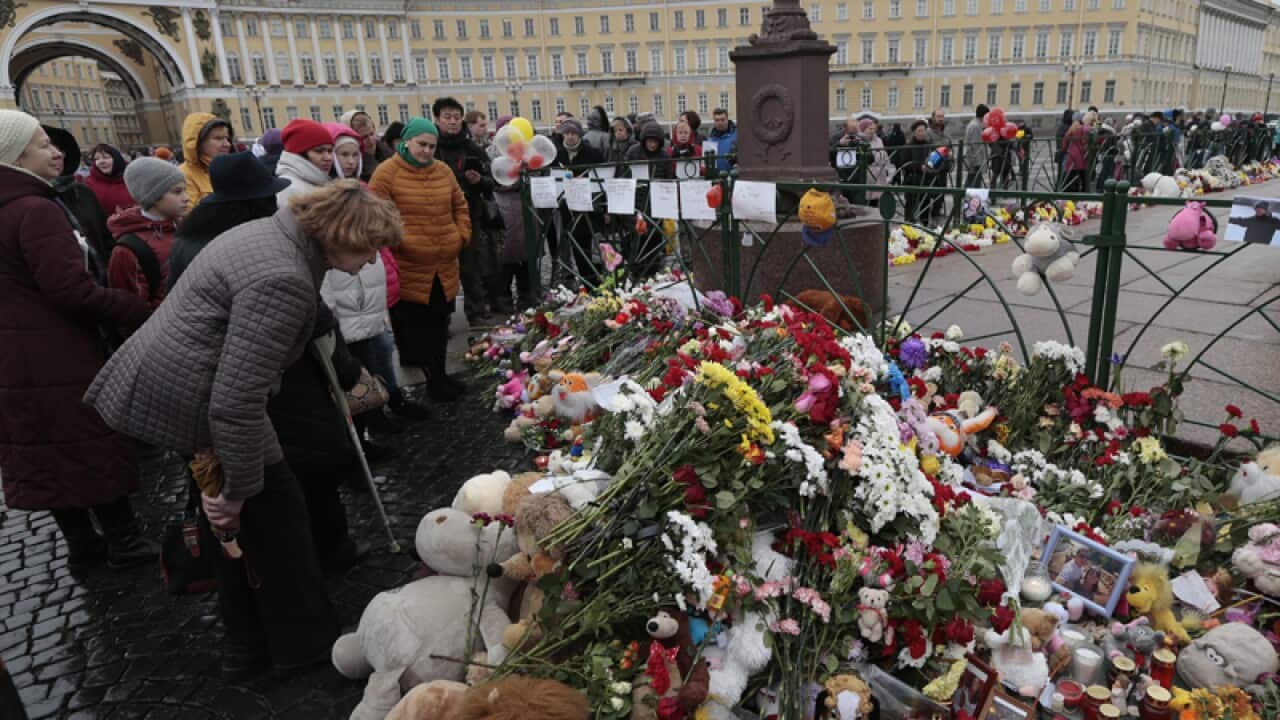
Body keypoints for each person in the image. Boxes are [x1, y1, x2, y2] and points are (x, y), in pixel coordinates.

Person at [87, 180, 402, 679]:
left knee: (242, 529)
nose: (370, 261)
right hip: (199, 399)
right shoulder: (284, 277)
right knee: (274, 521)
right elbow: (236, 400)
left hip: (188, 389)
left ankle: (248, 647)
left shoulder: (270, 235)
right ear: (337, 234)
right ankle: (302, 647)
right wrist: (235, 489)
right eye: (367, 249)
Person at [0, 110, 156, 570]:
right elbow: (69, 290)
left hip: (15, 357)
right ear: (15, 154)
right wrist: (132, 308)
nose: (57, 152)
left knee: (46, 451)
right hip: (58, 352)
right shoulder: (35, 209)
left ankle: (84, 548)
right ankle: (124, 541)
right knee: (89, 442)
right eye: (44, 143)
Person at [370, 117, 471, 401]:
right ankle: (433, 381)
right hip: (410, 267)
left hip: (444, 263)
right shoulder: (386, 173)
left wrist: (461, 235)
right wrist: (404, 243)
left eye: (431, 146)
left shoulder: (443, 171)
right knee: (418, 328)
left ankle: (440, 376)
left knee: (441, 323)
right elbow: (379, 217)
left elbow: (459, 205)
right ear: (406, 142)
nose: (427, 151)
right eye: (421, 144)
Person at [168, 152, 291, 287]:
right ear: (257, 204)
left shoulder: (190, 235)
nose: (274, 205)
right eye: (270, 197)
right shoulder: (242, 247)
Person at [434, 97, 501, 324]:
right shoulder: (431, 147)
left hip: (469, 212)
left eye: (456, 117)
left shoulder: (470, 147)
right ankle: (443, 317)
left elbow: (492, 182)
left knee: (471, 264)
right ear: (437, 119)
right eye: (447, 117)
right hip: (438, 215)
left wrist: (478, 179)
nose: (452, 122)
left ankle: (476, 311)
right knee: (442, 268)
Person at [107, 157, 189, 316]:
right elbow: (130, 311)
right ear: (153, 196)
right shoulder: (127, 250)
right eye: (177, 191)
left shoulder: (182, 227)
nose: (186, 197)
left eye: (186, 190)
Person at [41, 126, 116, 282]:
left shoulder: (83, 192)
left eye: (60, 149)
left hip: (105, 283)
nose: (58, 155)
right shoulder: (28, 201)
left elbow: (105, 237)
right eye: (47, 148)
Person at [553, 117, 607, 284]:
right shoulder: (557, 155)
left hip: (590, 206)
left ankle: (595, 281)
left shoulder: (592, 153)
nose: (570, 137)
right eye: (567, 133)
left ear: (580, 135)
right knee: (574, 244)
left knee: (591, 244)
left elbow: (603, 178)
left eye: (574, 133)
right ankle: (580, 280)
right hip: (566, 207)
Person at [274, 119, 336, 207]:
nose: (328, 158)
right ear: (300, 154)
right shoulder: (289, 190)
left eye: (330, 151)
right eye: (319, 151)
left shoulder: (320, 182)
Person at [179, 112, 234, 207]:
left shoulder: (230, 169)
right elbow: (189, 217)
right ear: (197, 142)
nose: (227, 144)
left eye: (227, 139)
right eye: (218, 138)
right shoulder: (183, 176)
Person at [341, 110, 393, 181]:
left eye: (371, 134)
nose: (370, 140)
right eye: (364, 137)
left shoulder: (389, 154)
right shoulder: (351, 167)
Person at [84, 143, 133, 217]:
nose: (101, 161)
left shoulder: (131, 178)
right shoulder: (89, 183)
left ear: (116, 159)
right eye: (97, 159)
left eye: (106, 157)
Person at [901, 120, 933, 223]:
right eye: (919, 131)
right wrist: (919, 167)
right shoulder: (908, 146)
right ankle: (909, 229)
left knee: (925, 206)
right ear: (914, 132)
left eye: (924, 130)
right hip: (912, 181)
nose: (922, 133)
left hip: (926, 181)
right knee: (911, 208)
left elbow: (933, 158)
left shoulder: (928, 145)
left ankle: (925, 228)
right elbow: (904, 164)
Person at [963, 105, 989, 190]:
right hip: (974, 160)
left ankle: (966, 198)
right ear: (984, 115)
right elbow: (976, 145)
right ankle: (968, 199)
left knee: (972, 181)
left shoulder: (976, 124)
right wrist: (980, 163)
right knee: (974, 183)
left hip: (973, 159)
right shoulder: (975, 126)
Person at [1061, 113, 1088, 192]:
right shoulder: (1083, 128)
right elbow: (1084, 141)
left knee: (1070, 174)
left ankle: (1068, 190)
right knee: (1082, 174)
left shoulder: (1071, 128)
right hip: (1080, 153)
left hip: (1071, 153)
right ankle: (1083, 192)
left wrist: (1064, 150)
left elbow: (1065, 141)